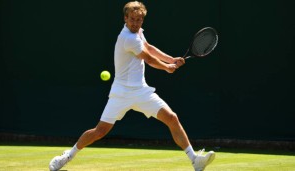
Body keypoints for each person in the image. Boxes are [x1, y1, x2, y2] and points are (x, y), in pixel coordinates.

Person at [49, 1, 215, 171]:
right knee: (99, 131)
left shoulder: (138, 33)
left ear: (142, 21)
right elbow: (148, 58)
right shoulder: (128, 38)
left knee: (172, 118)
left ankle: (195, 160)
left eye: (139, 20)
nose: (135, 23)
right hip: (121, 93)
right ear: (125, 18)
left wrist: (171, 59)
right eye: (132, 19)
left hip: (141, 91)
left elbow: (149, 48)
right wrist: (168, 68)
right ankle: (67, 156)